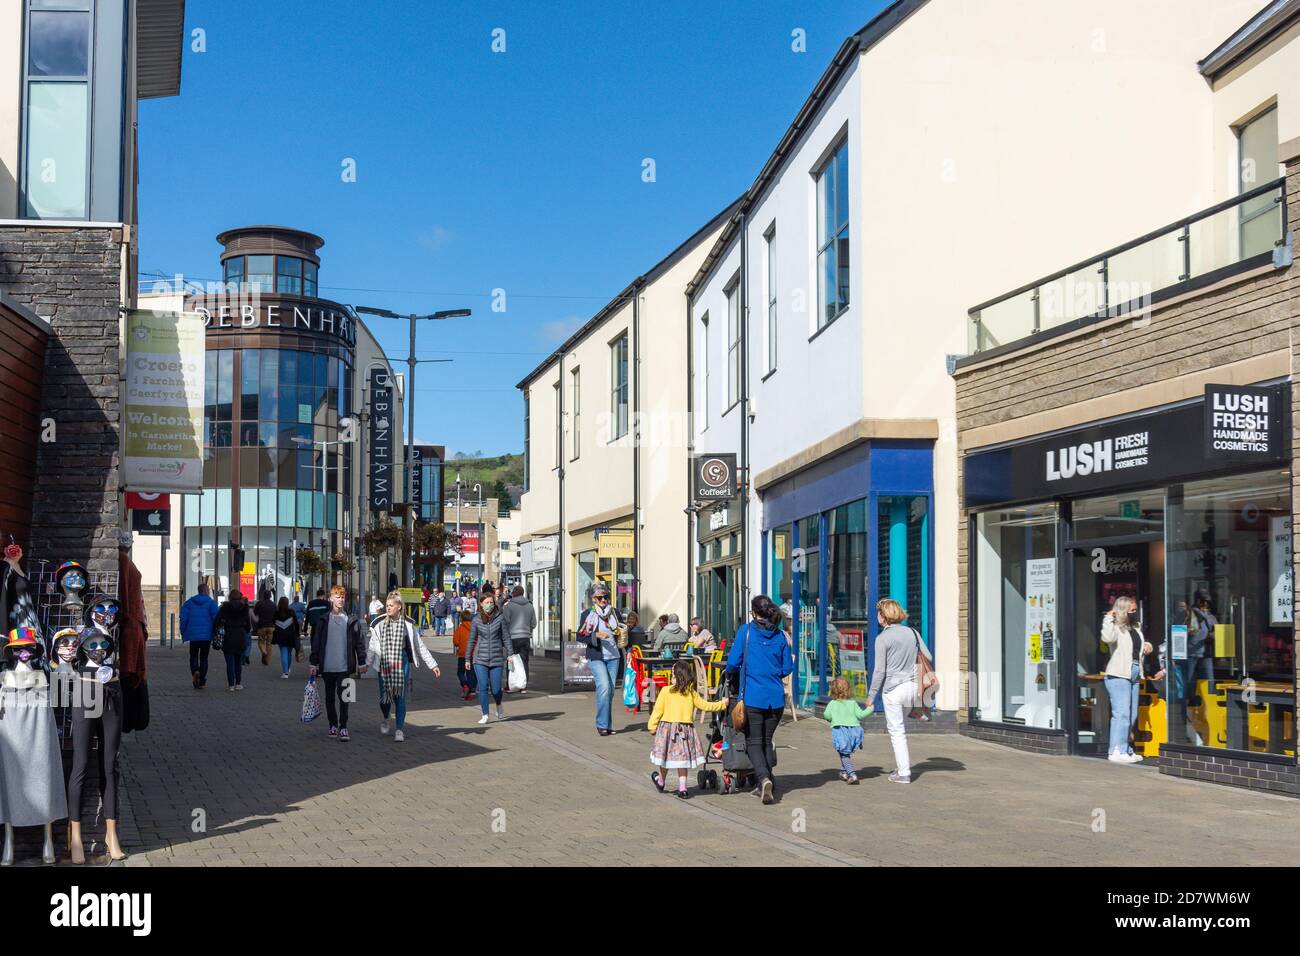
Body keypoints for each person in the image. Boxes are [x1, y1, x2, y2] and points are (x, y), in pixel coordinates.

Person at [725, 595, 793, 804]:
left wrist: (733, 672)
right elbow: (787, 668)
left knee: (754, 741)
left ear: (754, 612)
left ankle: (763, 779)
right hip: (775, 699)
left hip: (753, 697)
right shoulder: (780, 635)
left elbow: (733, 662)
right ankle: (765, 780)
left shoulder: (746, 632)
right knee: (766, 740)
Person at [867, 598, 932, 784]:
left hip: (893, 690)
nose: (878, 617)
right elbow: (928, 655)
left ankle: (903, 773)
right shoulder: (912, 632)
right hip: (913, 687)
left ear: (883, 616)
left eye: (879, 613)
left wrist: (871, 696)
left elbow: (879, 671)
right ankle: (902, 766)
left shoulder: (882, 639)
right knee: (901, 728)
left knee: (897, 731)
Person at [647, 659, 728, 799]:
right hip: (684, 732)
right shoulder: (690, 693)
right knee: (682, 761)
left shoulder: (665, 691)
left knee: (664, 759)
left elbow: (657, 711)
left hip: (667, 731)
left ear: (675, 677)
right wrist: (722, 704)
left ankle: (660, 781)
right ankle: (683, 788)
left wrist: (652, 726)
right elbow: (706, 705)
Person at [367, 590, 440, 742]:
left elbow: (419, 646)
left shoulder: (408, 624)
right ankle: (386, 716)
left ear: (399, 606)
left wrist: (432, 664)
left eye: (391, 605)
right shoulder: (379, 623)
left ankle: (399, 729)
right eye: (387, 605)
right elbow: (372, 646)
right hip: (384, 663)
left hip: (402, 661)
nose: (388, 608)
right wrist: (365, 664)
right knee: (384, 699)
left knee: (400, 697)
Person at [309, 585, 369, 741]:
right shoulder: (324, 620)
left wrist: (361, 662)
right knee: (329, 698)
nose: (340, 599)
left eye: (342, 597)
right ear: (331, 598)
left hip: (346, 666)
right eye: (337, 596)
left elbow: (359, 643)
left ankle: (343, 727)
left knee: (346, 698)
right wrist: (313, 663)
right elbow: (316, 643)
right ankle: (332, 725)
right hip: (327, 666)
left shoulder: (351, 620)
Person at [1101, 595, 1152, 764]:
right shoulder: (1116, 627)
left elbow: (1137, 646)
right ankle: (1116, 750)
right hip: (1118, 674)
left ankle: (1126, 748)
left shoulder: (1135, 627)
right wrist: (1109, 617)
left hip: (1135, 672)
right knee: (1121, 713)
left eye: (1136, 610)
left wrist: (1147, 646)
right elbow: (1107, 638)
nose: (1135, 613)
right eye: (1132, 610)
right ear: (1123, 611)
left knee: (1131, 715)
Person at [577, 584, 624, 737]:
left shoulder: (614, 613)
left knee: (609, 692)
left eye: (605, 597)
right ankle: (601, 725)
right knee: (603, 687)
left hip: (614, 656)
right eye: (599, 597)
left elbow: (622, 632)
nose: (603, 600)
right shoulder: (587, 615)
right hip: (596, 656)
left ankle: (607, 725)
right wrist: (595, 635)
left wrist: (623, 634)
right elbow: (580, 636)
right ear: (593, 599)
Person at [465, 588, 512, 725]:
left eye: (491, 602)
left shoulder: (500, 618)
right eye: (486, 602)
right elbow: (472, 640)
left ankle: (498, 704)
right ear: (481, 604)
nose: (489, 605)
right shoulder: (476, 620)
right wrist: (467, 658)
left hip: (497, 658)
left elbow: (506, 638)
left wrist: (510, 654)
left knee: (496, 689)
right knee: (483, 687)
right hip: (480, 659)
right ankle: (485, 714)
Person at [823, 676, 875, 784]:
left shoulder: (832, 704)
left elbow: (827, 716)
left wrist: (831, 718)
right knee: (845, 753)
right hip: (855, 731)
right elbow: (861, 715)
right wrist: (870, 708)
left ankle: (852, 774)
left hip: (840, 731)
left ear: (833, 690)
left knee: (843, 754)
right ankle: (843, 772)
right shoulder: (853, 703)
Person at [179, 583, 219, 690]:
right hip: (206, 636)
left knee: (193, 656)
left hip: (193, 635)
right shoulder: (211, 603)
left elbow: (183, 618)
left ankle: (195, 671)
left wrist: (183, 631)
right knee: (204, 658)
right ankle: (202, 681)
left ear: (198, 590)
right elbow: (217, 619)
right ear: (206, 591)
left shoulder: (189, 603)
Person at [216, 590, 254, 691]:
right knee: (238, 662)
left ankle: (231, 685)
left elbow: (217, 621)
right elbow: (248, 626)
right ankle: (238, 683)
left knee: (229, 663)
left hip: (228, 636)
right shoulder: (244, 608)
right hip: (240, 636)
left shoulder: (224, 608)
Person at [502, 584, 536, 689]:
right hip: (525, 637)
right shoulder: (530, 606)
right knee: (524, 661)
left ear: (514, 593)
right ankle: (523, 685)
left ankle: (510, 684)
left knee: (511, 661)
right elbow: (534, 623)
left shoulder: (508, 606)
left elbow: (505, 622)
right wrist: (528, 630)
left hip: (512, 638)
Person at [272, 596, 301, 678]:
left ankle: (285, 672)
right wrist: (298, 634)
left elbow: (272, 622)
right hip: (291, 634)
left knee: (283, 652)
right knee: (289, 653)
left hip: (280, 635)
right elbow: (296, 623)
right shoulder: (291, 612)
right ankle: (287, 669)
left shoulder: (276, 613)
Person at [452, 609, 476, 699]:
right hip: (473, 654)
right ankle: (472, 690)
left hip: (462, 654)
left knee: (461, 672)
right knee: (471, 673)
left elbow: (456, 642)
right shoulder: (474, 627)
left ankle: (465, 685)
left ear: (461, 618)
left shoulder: (459, 629)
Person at [254, 588, 276, 666]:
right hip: (271, 627)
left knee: (261, 641)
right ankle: (267, 661)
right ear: (270, 596)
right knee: (269, 643)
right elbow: (276, 615)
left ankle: (264, 652)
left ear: (263, 595)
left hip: (261, 626)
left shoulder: (259, 603)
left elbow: (255, 614)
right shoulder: (273, 604)